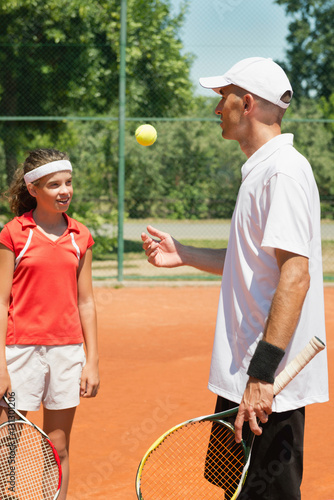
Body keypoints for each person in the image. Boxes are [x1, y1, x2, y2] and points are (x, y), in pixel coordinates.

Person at [141, 57, 329, 499]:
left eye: (221, 98)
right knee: (236, 491)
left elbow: (295, 275)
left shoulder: (282, 172)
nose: (215, 110)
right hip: (245, 374)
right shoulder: (262, 171)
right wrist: (183, 254)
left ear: (246, 103)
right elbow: (253, 260)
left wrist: (262, 376)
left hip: (267, 386)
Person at [0, 148, 100, 500]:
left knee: (58, 447)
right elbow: (1, 302)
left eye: (68, 183)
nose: (65, 190)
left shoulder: (80, 237)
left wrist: (92, 361)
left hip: (67, 353)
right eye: (55, 184)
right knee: (6, 445)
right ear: (33, 189)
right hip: (18, 351)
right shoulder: (14, 233)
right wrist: (0, 365)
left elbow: (86, 302)